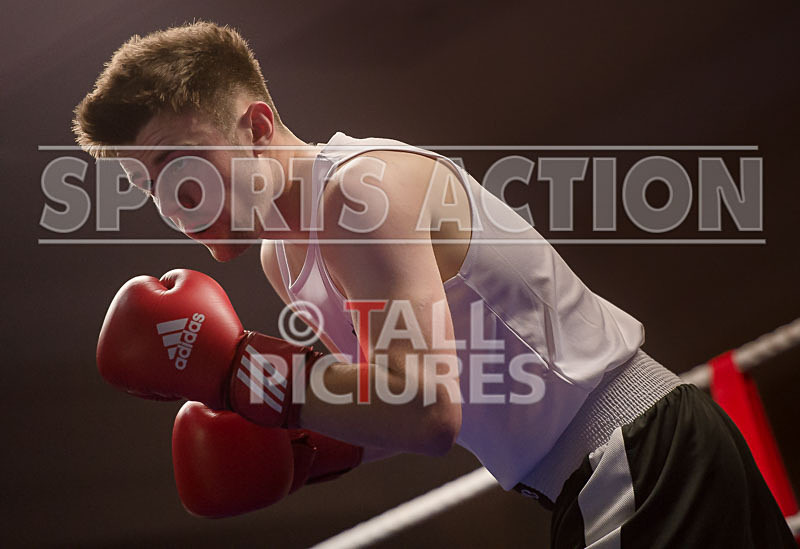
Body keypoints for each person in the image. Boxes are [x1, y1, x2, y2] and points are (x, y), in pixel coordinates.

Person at [74, 21, 795, 547]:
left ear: (258, 127)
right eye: (146, 184)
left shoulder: (360, 195)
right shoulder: (284, 257)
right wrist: (305, 448)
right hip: (605, 475)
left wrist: (245, 378)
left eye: (179, 163)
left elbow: (424, 408)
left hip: (638, 458)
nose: (172, 201)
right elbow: (389, 406)